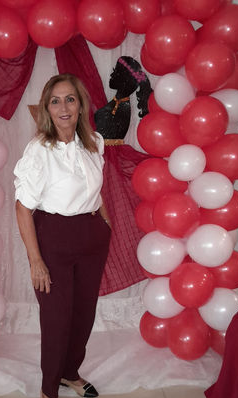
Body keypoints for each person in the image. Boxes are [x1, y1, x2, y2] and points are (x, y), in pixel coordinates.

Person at [14, 74, 111, 398]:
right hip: (54, 238)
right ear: (46, 108)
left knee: (83, 313)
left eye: (70, 99)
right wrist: (35, 261)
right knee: (57, 319)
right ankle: (49, 391)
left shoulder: (94, 142)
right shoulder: (40, 150)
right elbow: (22, 208)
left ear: (81, 105)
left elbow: (96, 191)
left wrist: (105, 223)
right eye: (55, 101)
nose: (63, 107)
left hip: (91, 236)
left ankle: (70, 372)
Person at [94, 56, 152, 296]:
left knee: (111, 217)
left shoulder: (119, 106)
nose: (111, 76)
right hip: (105, 161)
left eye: (115, 72)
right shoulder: (119, 103)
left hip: (107, 164)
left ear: (124, 78)